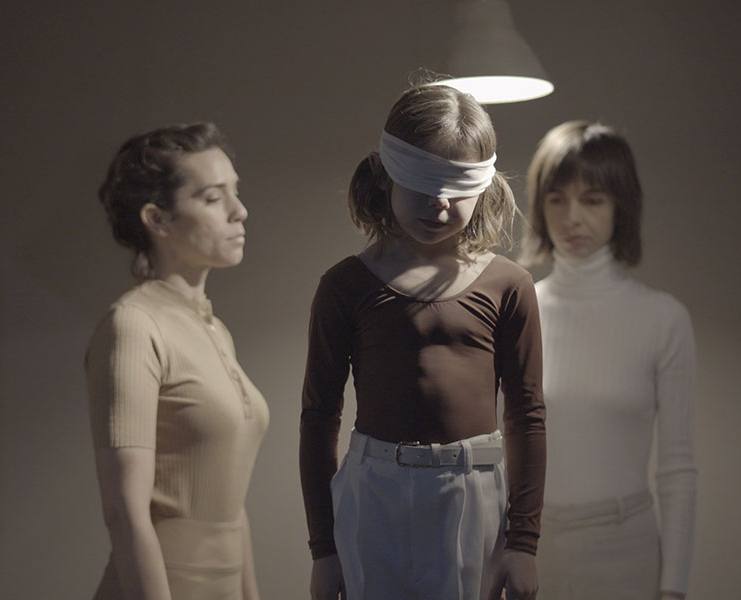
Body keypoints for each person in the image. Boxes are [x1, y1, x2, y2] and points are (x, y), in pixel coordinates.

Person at [299, 84, 546, 600]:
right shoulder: (345, 286)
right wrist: (324, 549)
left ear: (484, 186)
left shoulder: (509, 286)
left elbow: (526, 414)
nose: (440, 203)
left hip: (474, 493)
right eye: (423, 182)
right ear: (386, 172)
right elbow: (319, 416)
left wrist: (523, 541)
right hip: (374, 495)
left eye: (458, 186)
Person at [85, 123, 269, 600]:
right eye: (213, 198)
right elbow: (123, 512)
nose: (239, 210)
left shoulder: (214, 328)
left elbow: (229, 501)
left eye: (235, 192)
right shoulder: (133, 324)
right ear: (157, 219)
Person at [524, 120, 697, 600]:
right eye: (557, 199)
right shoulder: (517, 312)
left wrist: (674, 588)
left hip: (625, 545)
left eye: (592, 200)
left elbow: (678, 467)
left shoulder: (663, 318)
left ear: (621, 206)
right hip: (531, 545)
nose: (572, 217)